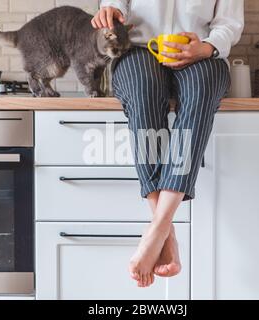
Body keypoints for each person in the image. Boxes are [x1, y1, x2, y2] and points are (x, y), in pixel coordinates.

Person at [92, 0, 244, 288]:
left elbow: (229, 23)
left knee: (202, 91)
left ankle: (157, 229)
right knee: (144, 91)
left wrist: (207, 47)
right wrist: (110, 9)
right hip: (138, 50)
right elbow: (114, 2)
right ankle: (165, 231)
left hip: (202, 53)